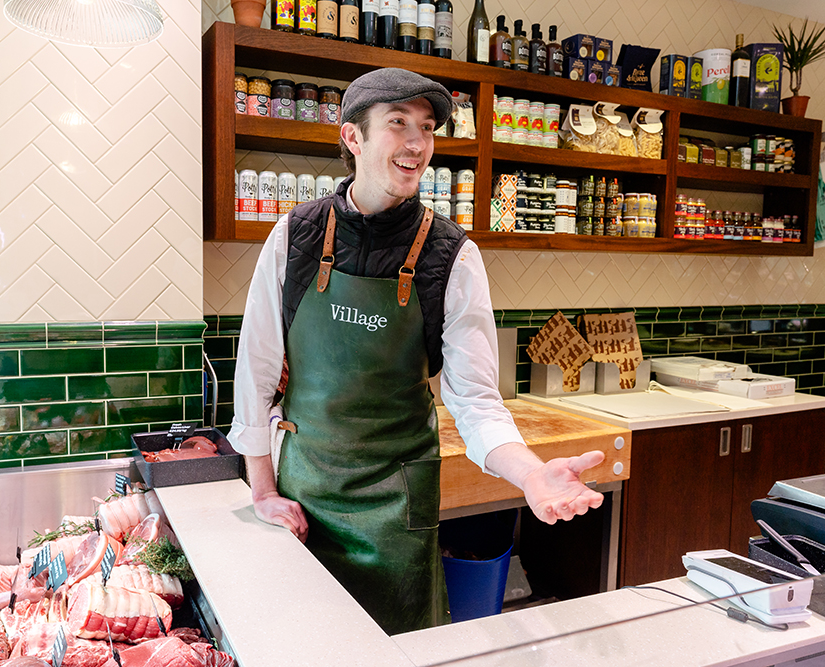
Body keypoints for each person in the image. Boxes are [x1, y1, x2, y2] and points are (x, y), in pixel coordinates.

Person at [227, 67, 605, 635]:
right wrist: (261, 491)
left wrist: (530, 475)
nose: (416, 144)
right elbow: (255, 371)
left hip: (397, 512)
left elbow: (476, 401)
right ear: (352, 137)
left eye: (426, 128)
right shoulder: (294, 236)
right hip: (303, 498)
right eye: (398, 123)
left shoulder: (452, 256)